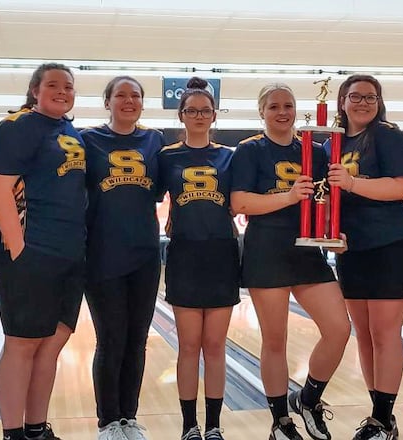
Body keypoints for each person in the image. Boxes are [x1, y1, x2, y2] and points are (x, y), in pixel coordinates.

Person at [230, 83, 351, 440]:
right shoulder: (249, 150)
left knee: (339, 329)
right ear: (262, 111)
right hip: (266, 250)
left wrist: (334, 234)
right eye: (274, 106)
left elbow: (326, 202)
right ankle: (281, 421)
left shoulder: (313, 149)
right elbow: (240, 203)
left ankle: (309, 398)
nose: (282, 112)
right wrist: (287, 197)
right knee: (275, 340)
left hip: (307, 252)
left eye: (288, 105)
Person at [0, 63, 87, 440]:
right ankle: (13, 433)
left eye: (69, 86)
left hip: (68, 253)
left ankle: (35, 429)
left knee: (51, 345)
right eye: (53, 85)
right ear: (35, 90)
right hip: (33, 253)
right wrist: (18, 249)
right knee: (23, 344)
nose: (62, 91)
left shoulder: (68, 130)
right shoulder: (20, 126)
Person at [325, 74, 403, 440]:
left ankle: (381, 419)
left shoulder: (387, 135)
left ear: (379, 102)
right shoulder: (332, 144)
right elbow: (328, 197)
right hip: (353, 250)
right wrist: (332, 234)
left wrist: (351, 183)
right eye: (356, 96)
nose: (363, 102)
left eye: (371, 96)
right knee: (364, 336)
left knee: (384, 332)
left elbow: (399, 186)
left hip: (391, 245)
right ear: (342, 101)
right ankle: (382, 417)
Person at [80, 75, 164, 440]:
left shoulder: (155, 140)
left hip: (145, 253)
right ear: (107, 102)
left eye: (135, 96)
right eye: (121, 95)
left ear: (142, 103)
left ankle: (129, 418)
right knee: (111, 338)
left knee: (137, 340)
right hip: (100, 254)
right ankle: (108, 422)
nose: (128, 101)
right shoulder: (87, 140)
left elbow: (162, 189)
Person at [157, 77, 240, 440]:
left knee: (216, 346)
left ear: (214, 115)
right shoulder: (166, 157)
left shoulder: (230, 157)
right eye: (192, 110)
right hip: (185, 253)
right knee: (190, 345)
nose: (199, 116)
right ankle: (190, 425)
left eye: (206, 111)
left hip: (221, 252)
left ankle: (214, 425)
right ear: (181, 115)